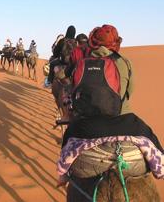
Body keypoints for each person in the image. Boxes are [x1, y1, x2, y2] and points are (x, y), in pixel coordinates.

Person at [57, 25, 164, 188]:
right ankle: (160, 170)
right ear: (115, 42)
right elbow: (130, 91)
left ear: (93, 42)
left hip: (89, 125)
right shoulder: (124, 62)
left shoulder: (81, 64)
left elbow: (75, 89)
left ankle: (63, 176)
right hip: (123, 121)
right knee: (149, 134)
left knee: (68, 137)